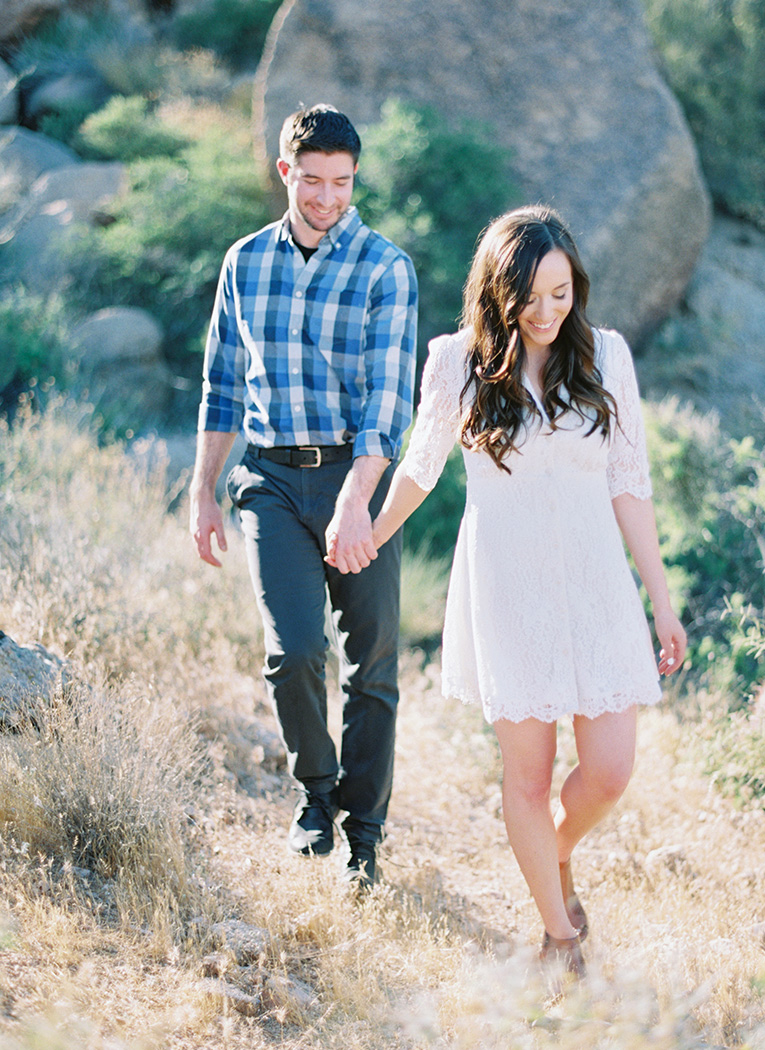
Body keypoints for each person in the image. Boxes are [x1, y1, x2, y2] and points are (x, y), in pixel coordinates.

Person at [329, 205, 685, 970]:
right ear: (498, 292)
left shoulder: (606, 357)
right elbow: (420, 467)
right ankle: (560, 939)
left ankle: (556, 853)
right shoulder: (456, 362)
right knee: (526, 776)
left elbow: (630, 483)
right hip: (507, 587)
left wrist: (661, 601)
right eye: (531, 297)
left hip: (596, 583)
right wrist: (369, 536)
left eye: (561, 293)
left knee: (609, 771)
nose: (548, 311)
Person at [189, 104, 418, 888]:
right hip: (273, 480)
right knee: (293, 652)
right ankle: (317, 793)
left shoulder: (386, 268)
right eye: (313, 180)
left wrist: (358, 502)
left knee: (372, 663)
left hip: (358, 476)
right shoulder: (245, 262)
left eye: (341, 182)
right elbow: (222, 384)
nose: (326, 197)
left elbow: (388, 403)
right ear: (286, 171)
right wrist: (203, 491)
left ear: (355, 178)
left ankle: (366, 835)